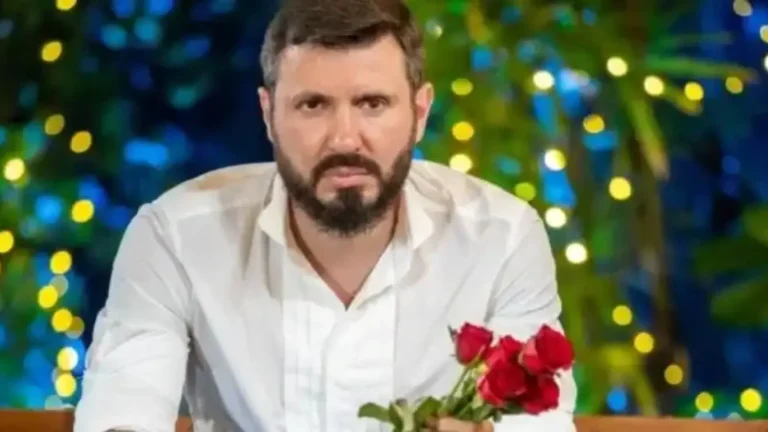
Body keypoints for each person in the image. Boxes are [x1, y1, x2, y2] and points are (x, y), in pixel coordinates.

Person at [73, 0, 577, 430]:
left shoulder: (502, 237)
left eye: (372, 104)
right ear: (268, 114)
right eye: (313, 105)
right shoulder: (175, 237)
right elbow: (125, 403)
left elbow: (538, 423)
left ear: (420, 113)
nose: (344, 138)